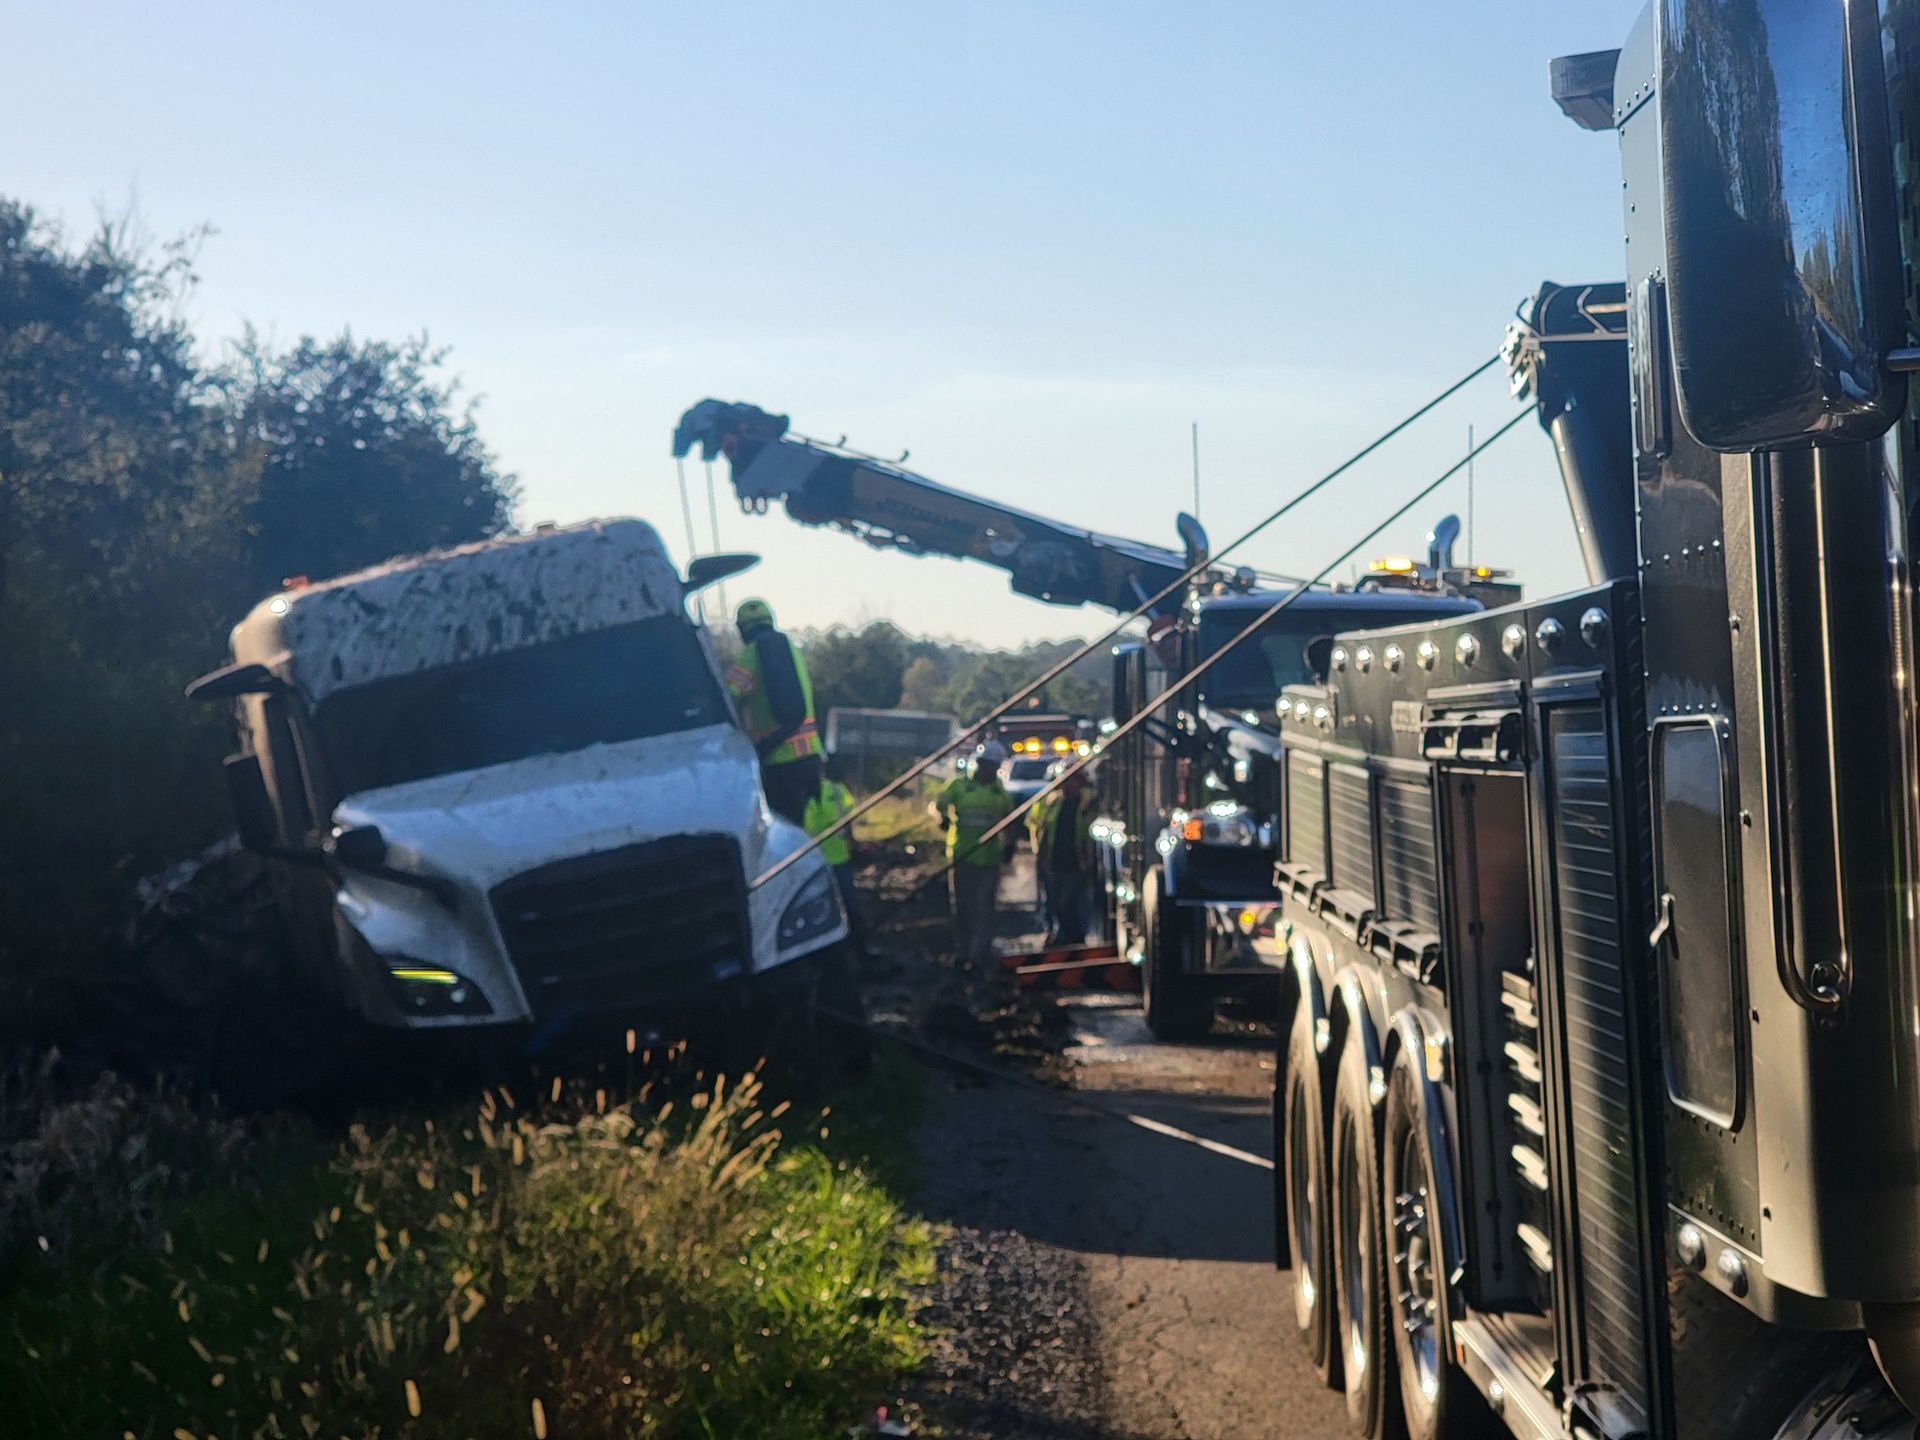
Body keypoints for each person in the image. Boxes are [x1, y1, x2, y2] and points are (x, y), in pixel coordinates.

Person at [724, 598, 822, 825]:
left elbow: (727, 694)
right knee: (805, 832)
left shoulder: (752, 654)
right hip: (811, 758)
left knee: (783, 838)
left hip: (779, 761)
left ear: (742, 629)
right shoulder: (793, 650)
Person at [931, 741, 1015, 965]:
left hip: (989, 858)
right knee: (962, 906)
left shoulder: (998, 790)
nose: (986, 769)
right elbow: (939, 805)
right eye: (984, 764)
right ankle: (963, 950)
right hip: (962, 855)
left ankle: (980, 954)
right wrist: (943, 819)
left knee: (984, 907)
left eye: (991, 765)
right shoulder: (959, 786)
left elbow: (1010, 819)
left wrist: (1009, 845)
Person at [803, 756, 867, 955]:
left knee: (849, 909)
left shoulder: (837, 792)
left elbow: (847, 824)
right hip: (814, 865)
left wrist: (853, 844)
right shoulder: (798, 795)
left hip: (837, 860)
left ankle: (857, 950)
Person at [1028, 766, 1097, 945]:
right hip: (1055, 862)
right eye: (1065, 780)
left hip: (1077, 863)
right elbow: (1043, 829)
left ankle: (1074, 935)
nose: (1068, 784)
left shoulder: (1087, 803)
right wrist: (1041, 857)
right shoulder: (1053, 802)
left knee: (1071, 901)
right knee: (1054, 901)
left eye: (1072, 780)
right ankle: (1059, 934)